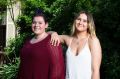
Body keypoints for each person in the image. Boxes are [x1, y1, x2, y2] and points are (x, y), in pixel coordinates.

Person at [50, 11, 102, 79]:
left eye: (84, 21)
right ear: (75, 21)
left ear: (89, 24)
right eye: (79, 19)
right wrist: (54, 33)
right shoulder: (69, 40)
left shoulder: (93, 41)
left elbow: (95, 71)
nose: (80, 23)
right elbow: (46, 34)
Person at [18, 9, 65, 79]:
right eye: (34, 22)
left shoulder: (51, 42)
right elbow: (22, 67)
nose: (36, 25)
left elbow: (57, 70)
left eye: (40, 23)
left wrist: (54, 33)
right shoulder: (28, 41)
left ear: (46, 25)